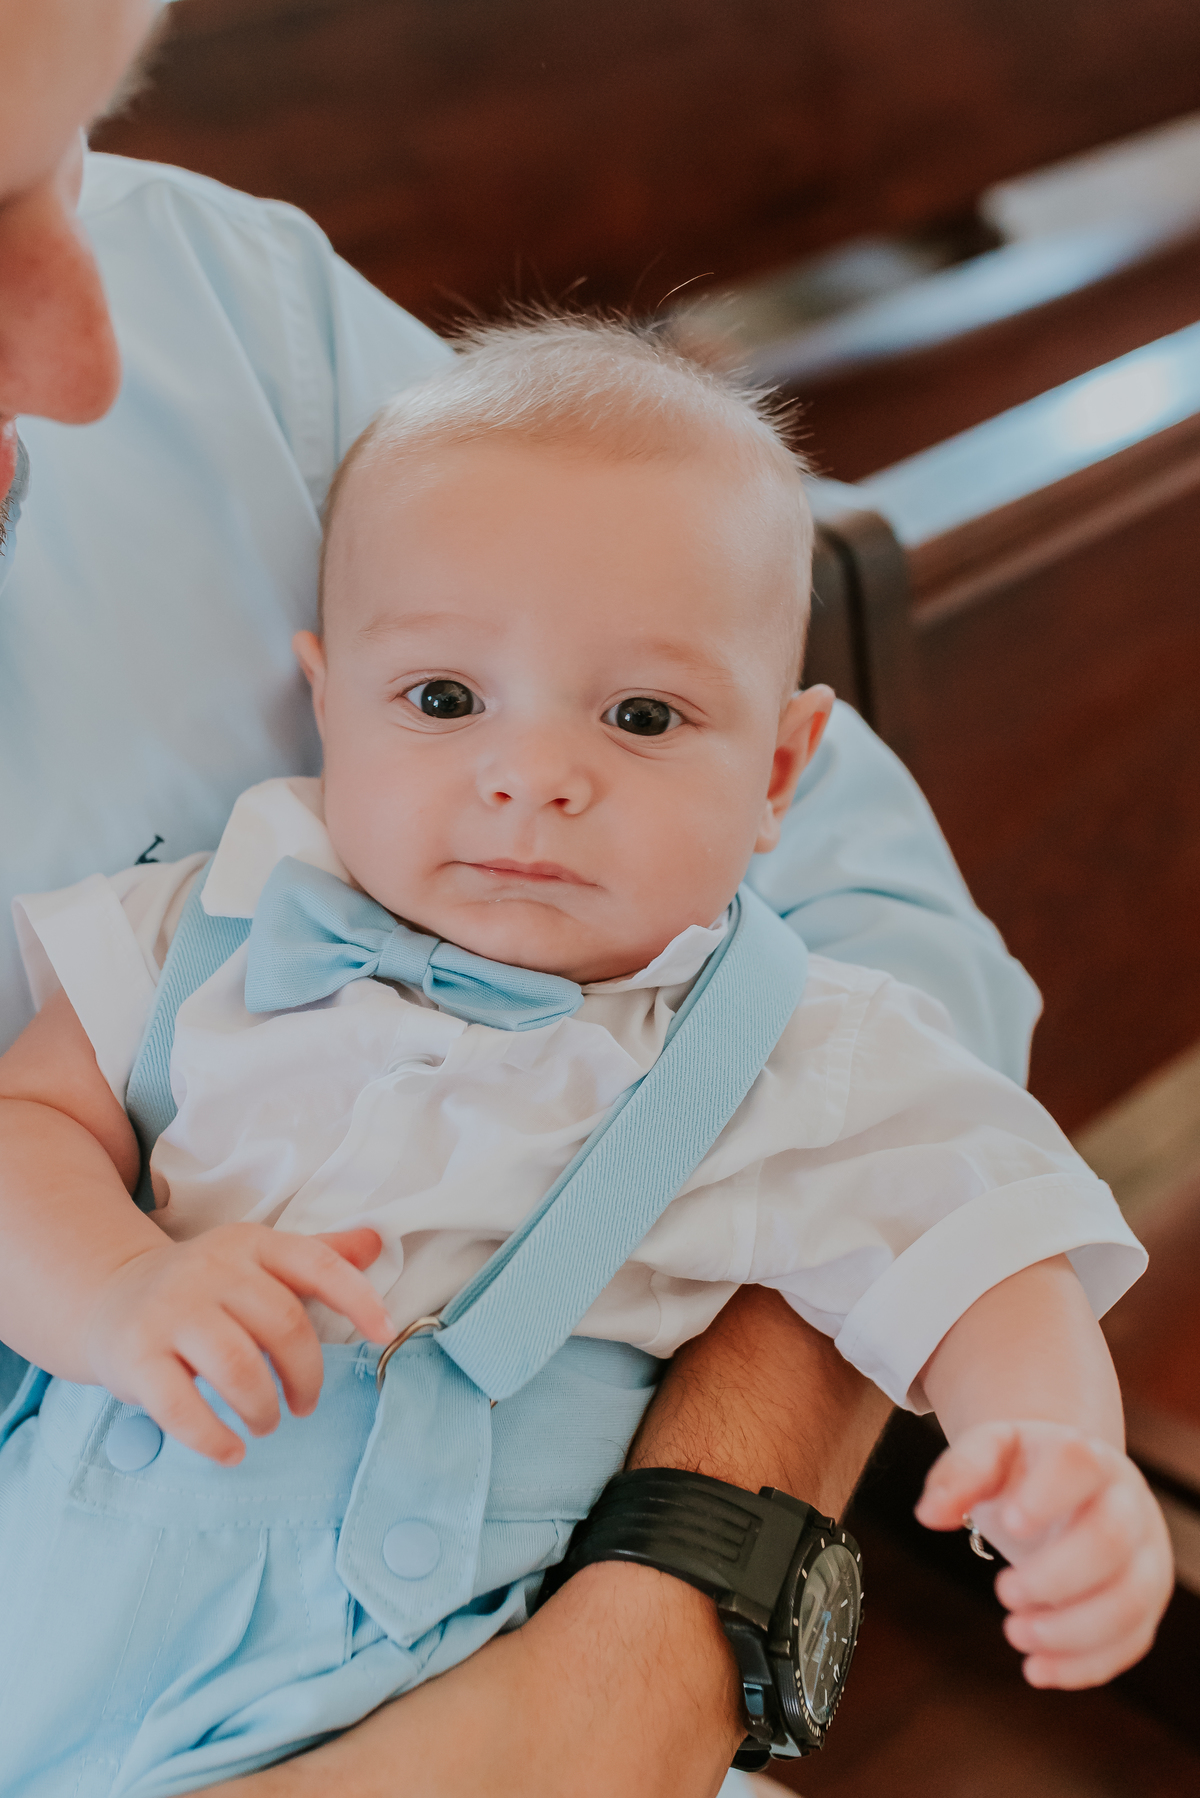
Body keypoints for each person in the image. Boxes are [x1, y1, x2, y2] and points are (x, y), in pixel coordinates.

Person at [0, 4, 1058, 1794]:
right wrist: (114, 1295)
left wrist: (658, 1651)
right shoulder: (223, 923)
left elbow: (952, 1147)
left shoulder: (232, 311)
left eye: (63, 157)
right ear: (332, 691)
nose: (97, 358)